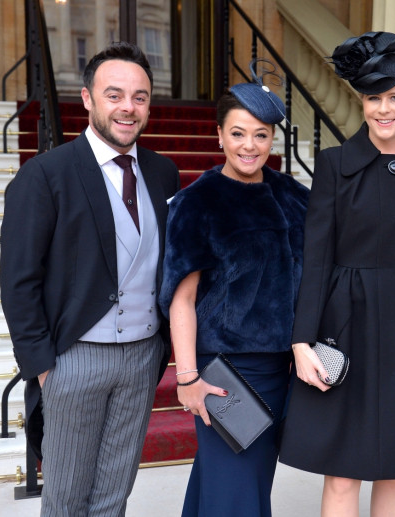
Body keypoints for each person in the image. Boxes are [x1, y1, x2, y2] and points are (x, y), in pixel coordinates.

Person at [0, 42, 180, 516]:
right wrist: (42, 365)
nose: (128, 107)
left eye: (139, 97)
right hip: (73, 359)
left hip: (142, 356)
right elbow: (19, 279)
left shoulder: (163, 172)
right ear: (87, 99)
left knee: (113, 496)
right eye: (115, 94)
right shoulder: (45, 175)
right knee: (65, 499)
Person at [279, 32, 395, 517]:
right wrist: (301, 341)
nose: (384, 109)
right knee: (343, 469)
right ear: (361, 101)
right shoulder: (335, 166)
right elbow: (316, 257)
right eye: (374, 98)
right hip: (345, 326)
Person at [158, 69, 309, 517]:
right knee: (238, 497)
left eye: (260, 135)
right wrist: (186, 378)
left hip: (281, 370)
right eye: (238, 133)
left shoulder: (294, 195)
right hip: (224, 372)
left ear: (272, 140)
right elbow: (181, 299)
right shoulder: (198, 201)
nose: (249, 145)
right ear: (220, 134)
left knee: (233, 484)